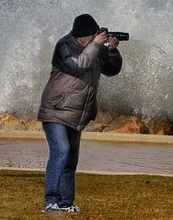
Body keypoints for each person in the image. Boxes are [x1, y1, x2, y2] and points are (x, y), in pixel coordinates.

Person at [37, 13, 123, 213]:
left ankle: (66, 203)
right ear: (80, 37)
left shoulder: (93, 49)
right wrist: (96, 45)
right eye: (92, 38)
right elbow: (78, 65)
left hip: (76, 113)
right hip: (55, 109)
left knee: (71, 159)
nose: (94, 41)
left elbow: (112, 70)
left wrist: (111, 51)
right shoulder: (64, 46)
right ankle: (51, 200)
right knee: (61, 151)